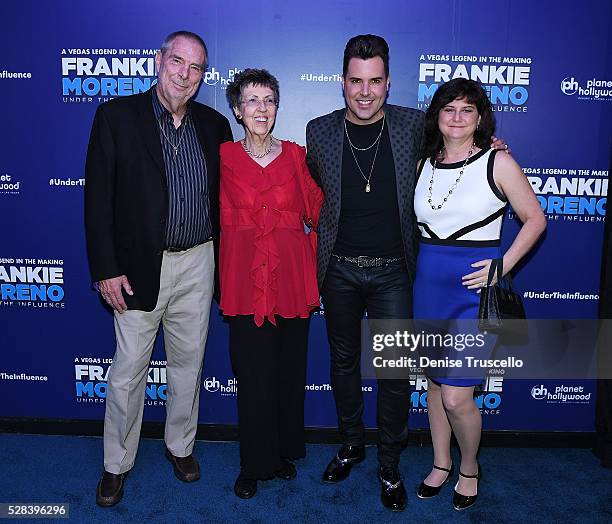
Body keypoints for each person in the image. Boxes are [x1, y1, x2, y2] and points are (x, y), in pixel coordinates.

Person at [306, 34, 509, 512]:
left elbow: (463, 146)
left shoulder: (414, 124)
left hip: (395, 273)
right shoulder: (319, 131)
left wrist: (493, 143)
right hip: (337, 270)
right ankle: (353, 443)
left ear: (388, 82)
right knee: (342, 365)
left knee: (395, 374)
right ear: (342, 83)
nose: (364, 91)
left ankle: (390, 463)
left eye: (375, 81)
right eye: (355, 81)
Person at [84, 31, 232, 507]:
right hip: (136, 267)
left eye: (195, 69)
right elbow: (97, 202)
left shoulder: (213, 124)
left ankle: (180, 446)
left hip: (199, 261)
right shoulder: (115, 117)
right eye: (177, 62)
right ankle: (116, 463)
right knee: (129, 370)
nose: (184, 75)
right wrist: (106, 268)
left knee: (189, 363)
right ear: (158, 61)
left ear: (203, 76)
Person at [413, 78, 546, 510]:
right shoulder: (421, 163)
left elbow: (535, 220)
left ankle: (469, 466)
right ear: (436, 115)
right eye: (449, 108)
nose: (456, 117)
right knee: (434, 385)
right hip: (426, 288)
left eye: (467, 109)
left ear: (480, 117)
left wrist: (501, 266)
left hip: (473, 294)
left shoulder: (498, 161)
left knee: (457, 394)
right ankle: (440, 463)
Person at [220, 69, 323, 499]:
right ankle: (253, 462)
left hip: (291, 283)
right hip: (244, 282)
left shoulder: (299, 158)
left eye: (269, 100)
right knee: (253, 373)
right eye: (252, 101)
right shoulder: (221, 156)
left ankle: (281, 451)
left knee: (286, 372)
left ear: (277, 108)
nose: (261, 109)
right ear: (237, 110)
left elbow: (322, 211)